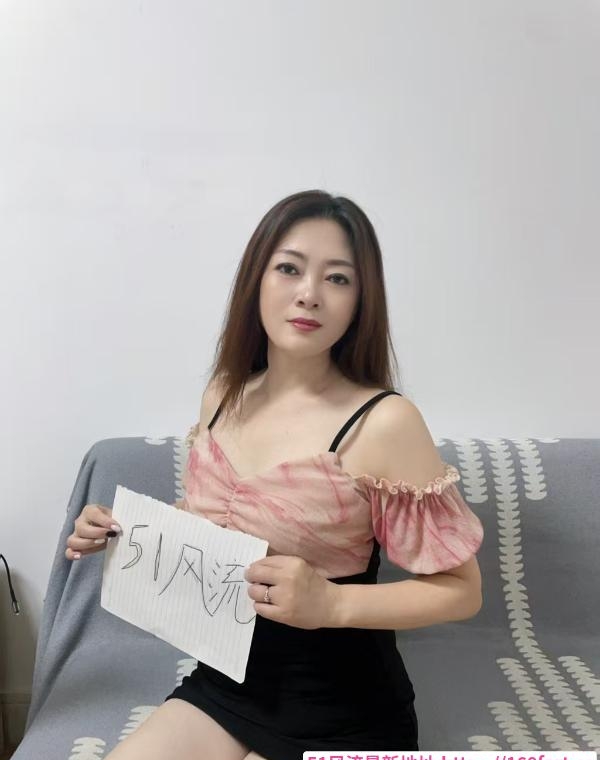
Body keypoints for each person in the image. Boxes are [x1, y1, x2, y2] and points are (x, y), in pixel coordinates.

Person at [65, 189, 484, 760]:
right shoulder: (223, 395)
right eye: (289, 268)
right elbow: (216, 527)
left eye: (338, 278)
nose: (309, 293)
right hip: (225, 682)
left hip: (344, 709)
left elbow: (463, 592)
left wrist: (332, 605)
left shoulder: (385, 422)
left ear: (361, 300)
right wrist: (122, 531)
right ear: (256, 280)